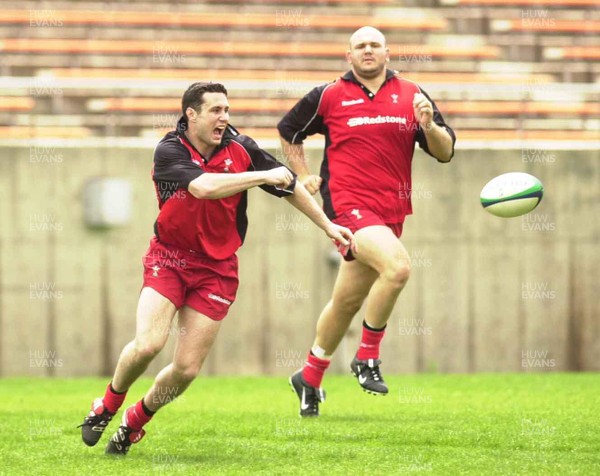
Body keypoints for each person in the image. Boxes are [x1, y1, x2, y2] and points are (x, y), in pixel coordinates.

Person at [79, 82, 354, 455]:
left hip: (218, 269)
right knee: (148, 344)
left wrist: (327, 226)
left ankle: (134, 422)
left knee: (187, 370)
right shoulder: (170, 149)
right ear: (191, 115)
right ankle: (107, 405)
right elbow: (204, 187)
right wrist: (262, 176)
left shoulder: (242, 148)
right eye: (215, 111)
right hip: (170, 259)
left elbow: (289, 185)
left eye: (227, 110)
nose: (224, 117)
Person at [278, 26, 456, 417]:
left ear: (388, 53)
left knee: (345, 302)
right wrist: (303, 175)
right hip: (348, 207)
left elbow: (445, 153)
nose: (368, 50)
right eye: (361, 45)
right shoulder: (328, 95)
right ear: (349, 55)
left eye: (375, 44)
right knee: (398, 267)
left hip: (391, 213)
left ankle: (309, 376)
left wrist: (429, 127)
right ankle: (367, 357)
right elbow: (289, 131)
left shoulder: (412, 95)